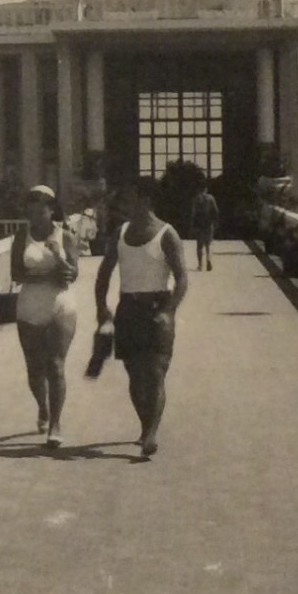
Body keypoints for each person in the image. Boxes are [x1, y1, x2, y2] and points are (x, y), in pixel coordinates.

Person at [95, 177, 189, 458]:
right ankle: (146, 425)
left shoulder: (167, 235)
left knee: (156, 373)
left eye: (130, 198)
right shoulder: (120, 234)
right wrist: (102, 307)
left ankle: (151, 433)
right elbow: (104, 274)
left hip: (157, 307)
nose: (125, 204)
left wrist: (169, 310)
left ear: (146, 200)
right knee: (135, 376)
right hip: (128, 309)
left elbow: (182, 278)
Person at [11, 185, 79, 448]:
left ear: (52, 210)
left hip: (60, 306)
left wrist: (57, 256)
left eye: (42, 211)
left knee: (55, 365)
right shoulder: (21, 236)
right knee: (34, 369)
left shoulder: (66, 236)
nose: (36, 216)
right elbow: (16, 274)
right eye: (32, 211)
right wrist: (47, 276)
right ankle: (43, 407)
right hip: (29, 307)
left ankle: (55, 424)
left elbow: (73, 274)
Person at [189, 183, 220, 271]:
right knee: (208, 244)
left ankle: (200, 265)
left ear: (199, 189)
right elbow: (216, 211)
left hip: (199, 224)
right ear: (206, 189)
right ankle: (209, 259)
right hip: (208, 223)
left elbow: (193, 213)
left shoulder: (196, 199)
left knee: (199, 245)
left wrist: (192, 225)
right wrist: (216, 222)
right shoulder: (211, 198)